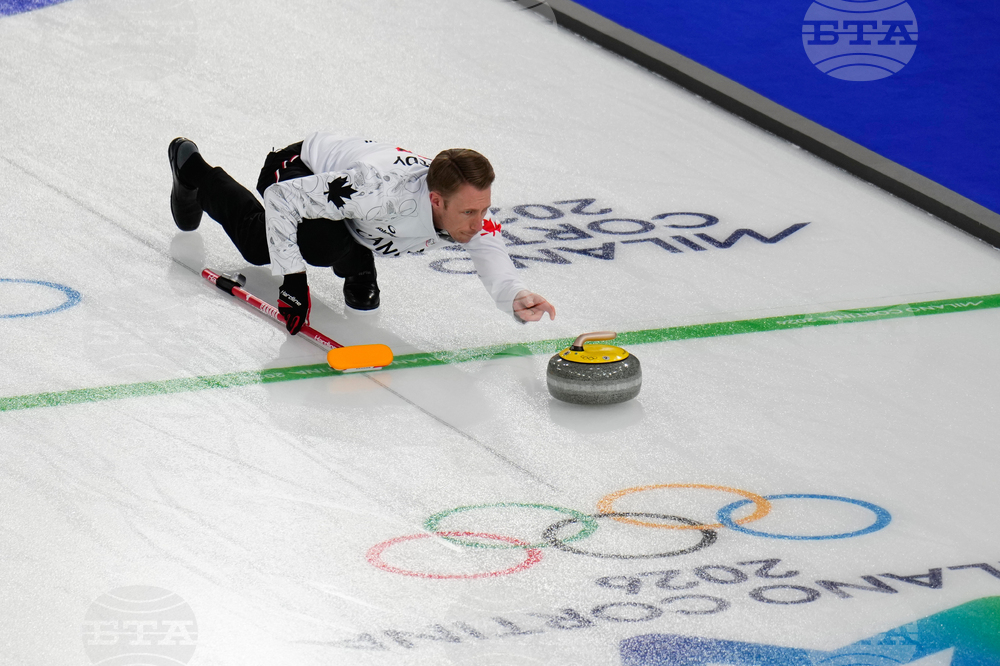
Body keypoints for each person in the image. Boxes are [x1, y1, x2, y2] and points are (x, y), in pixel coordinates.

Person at [167, 131, 556, 334]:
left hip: (351, 206)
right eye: (470, 212)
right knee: (272, 246)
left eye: (484, 209)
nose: (479, 222)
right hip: (299, 170)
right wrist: (293, 281)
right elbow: (282, 199)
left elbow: (490, 250)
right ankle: (192, 170)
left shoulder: (466, 205)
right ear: (436, 200)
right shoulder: (377, 192)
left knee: (333, 236)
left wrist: (515, 295)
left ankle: (356, 261)